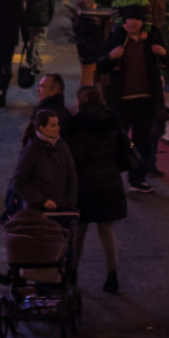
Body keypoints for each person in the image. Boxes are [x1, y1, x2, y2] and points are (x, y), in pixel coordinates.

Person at [66, 83, 131, 292]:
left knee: (80, 230)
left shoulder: (75, 123)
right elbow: (123, 149)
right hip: (109, 179)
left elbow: (74, 156)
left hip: (84, 183)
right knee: (106, 230)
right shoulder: (112, 119)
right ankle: (112, 276)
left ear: (80, 100)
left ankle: (72, 272)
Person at [102, 11, 167, 191]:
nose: (133, 24)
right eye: (129, 20)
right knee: (119, 140)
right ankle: (111, 179)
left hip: (145, 100)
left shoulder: (150, 40)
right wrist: (111, 57)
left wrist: (164, 53)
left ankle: (137, 179)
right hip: (121, 101)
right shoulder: (117, 39)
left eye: (137, 19)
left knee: (142, 141)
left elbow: (168, 63)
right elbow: (101, 64)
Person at [13, 106, 78, 214]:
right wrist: (42, 201)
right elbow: (18, 182)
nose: (58, 128)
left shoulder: (63, 147)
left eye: (57, 124)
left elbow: (72, 175)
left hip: (62, 208)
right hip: (38, 212)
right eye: (53, 125)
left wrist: (70, 201)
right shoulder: (31, 151)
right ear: (42, 128)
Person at [69, 0, 111, 88]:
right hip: (91, 53)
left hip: (85, 53)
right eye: (94, 4)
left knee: (86, 73)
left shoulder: (80, 19)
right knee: (88, 76)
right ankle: (86, 94)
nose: (96, 5)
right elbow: (97, 36)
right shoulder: (90, 23)